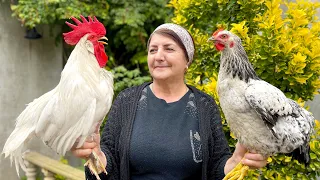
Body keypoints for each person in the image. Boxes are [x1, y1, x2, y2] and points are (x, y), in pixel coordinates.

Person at [71, 23, 267, 180]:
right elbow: (109, 165)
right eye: (153, 50)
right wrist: (96, 156)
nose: (159, 56)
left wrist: (234, 162)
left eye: (169, 49)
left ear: (187, 60)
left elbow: (216, 167)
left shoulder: (205, 106)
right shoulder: (126, 101)